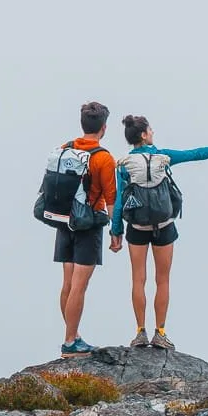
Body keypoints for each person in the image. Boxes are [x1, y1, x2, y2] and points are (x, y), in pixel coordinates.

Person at [110, 115, 208, 351]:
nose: (152, 131)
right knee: (163, 280)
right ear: (144, 135)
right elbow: (197, 153)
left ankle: (140, 332)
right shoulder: (163, 156)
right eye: (150, 129)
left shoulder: (125, 164)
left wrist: (116, 231)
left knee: (138, 279)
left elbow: (119, 199)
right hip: (164, 226)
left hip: (137, 228)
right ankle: (160, 333)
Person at [55, 102, 117, 358]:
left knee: (68, 284)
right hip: (89, 224)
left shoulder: (65, 148)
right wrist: (116, 231)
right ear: (103, 128)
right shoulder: (103, 157)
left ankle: (72, 335)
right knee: (80, 286)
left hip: (64, 220)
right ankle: (70, 342)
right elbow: (111, 198)